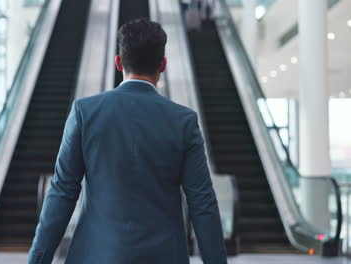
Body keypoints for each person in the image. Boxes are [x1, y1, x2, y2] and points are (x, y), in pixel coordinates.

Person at [27, 18, 227, 264]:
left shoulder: (85, 113)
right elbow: (202, 203)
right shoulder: (183, 121)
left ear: (118, 62)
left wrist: (37, 261)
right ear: (162, 65)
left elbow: (62, 192)